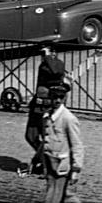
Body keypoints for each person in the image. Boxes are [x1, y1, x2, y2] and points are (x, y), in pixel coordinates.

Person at [26, 44, 69, 174]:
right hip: (37, 106)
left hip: (48, 107)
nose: (42, 56)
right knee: (30, 135)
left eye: (44, 52)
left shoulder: (58, 64)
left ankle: (47, 165)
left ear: (53, 52)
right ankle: (44, 159)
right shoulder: (44, 64)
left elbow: (55, 71)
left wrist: (49, 56)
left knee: (47, 137)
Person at [39, 84, 84, 203]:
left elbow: (77, 145)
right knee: (64, 195)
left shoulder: (68, 118)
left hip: (61, 165)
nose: (58, 100)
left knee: (55, 196)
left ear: (65, 98)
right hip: (50, 162)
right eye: (55, 97)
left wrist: (76, 169)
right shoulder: (47, 116)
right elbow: (45, 140)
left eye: (61, 97)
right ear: (50, 97)